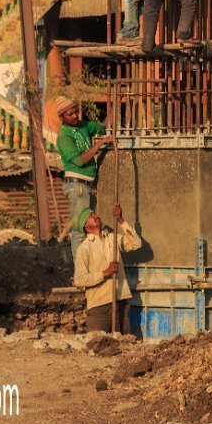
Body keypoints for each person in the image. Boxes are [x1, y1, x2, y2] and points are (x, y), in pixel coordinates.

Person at [55, 96, 113, 260]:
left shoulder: (83, 126)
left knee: (89, 229)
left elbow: (102, 127)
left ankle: (89, 265)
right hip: (77, 187)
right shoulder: (64, 137)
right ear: (62, 117)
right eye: (70, 114)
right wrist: (99, 144)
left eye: (75, 112)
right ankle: (80, 271)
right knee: (80, 230)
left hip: (85, 186)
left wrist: (113, 111)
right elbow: (80, 161)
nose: (75, 116)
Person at [73, 203, 142, 334]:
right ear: (86, 227)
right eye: (91, 215)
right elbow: (79, 280)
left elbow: (136, 243)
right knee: (98, 345)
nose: (96, 215)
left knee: (124, 344)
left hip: (120, 300)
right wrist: (105, 273)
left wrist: (121, 220)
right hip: (99, 306)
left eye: (94, 213)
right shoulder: (84, 248)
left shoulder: (112, 238)